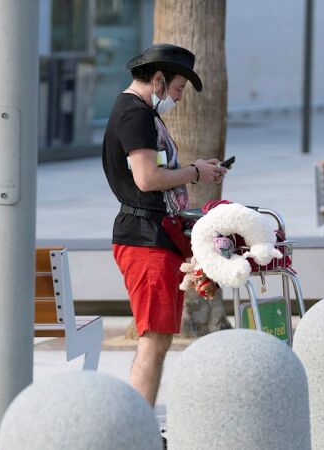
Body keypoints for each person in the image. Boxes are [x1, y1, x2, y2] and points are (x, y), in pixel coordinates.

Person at [102, 44, 227, 406]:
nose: (179, 98)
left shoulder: (142, 113)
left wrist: (195, 169)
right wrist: (195, 172)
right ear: (158, 79)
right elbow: (147, 178)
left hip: (157, 237)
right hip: (145, 240)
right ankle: (138, 424)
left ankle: (141, 422)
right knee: (153, 339)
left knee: (160, 338)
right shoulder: (135, 114)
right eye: (178, 89)